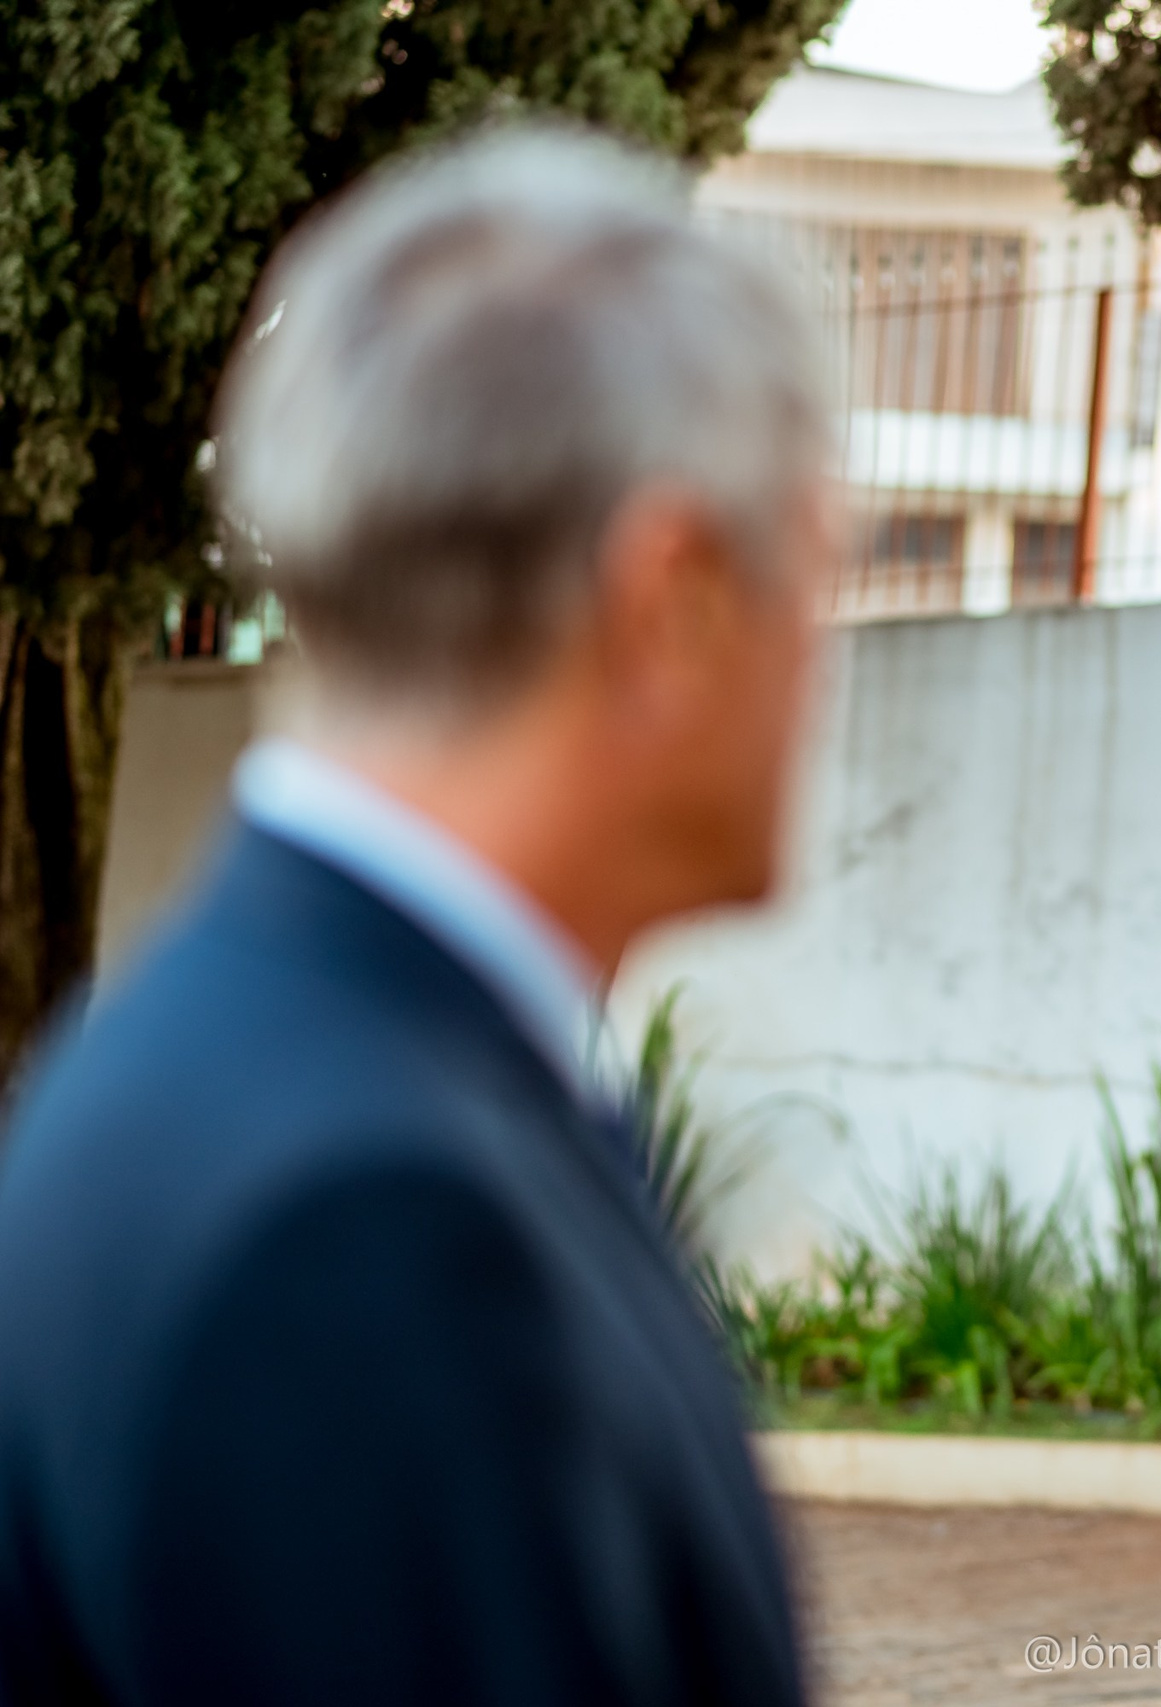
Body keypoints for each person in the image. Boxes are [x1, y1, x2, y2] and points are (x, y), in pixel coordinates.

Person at [0, 128, 831, 1704]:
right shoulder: (366, 1224)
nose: (823, 660)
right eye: (818, 568)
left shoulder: (237, 1067)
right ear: (674, 599)